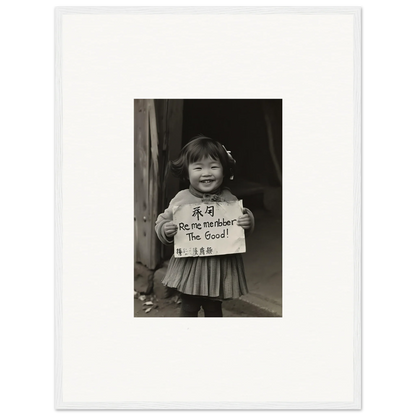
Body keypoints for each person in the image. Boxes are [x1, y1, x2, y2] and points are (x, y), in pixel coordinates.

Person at [155, 135, 255, 317]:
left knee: (214, 309)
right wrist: (166, 229)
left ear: (224, 171)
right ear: (187, 172)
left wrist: (246, 221)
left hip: (219, 268)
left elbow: (237, 228)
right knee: (189, 307)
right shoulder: (181, 199)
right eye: (198, 167)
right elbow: (161, 221)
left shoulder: (229, 199)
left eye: (214, 166)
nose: (206, 173)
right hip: (191, 267)